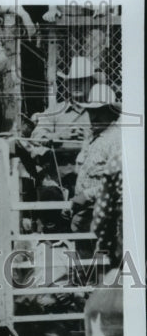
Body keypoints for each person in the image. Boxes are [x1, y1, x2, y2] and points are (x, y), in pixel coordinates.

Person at [69, 84, 122, 250]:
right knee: (85, 266)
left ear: (110, 111)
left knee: (101, 266)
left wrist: (87, 195)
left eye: (99, 111)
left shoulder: (116, 140)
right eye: (91, 111)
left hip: (104, 215)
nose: (94, 116)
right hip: (85, 214)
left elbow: (119, 183)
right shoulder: (93, 138)